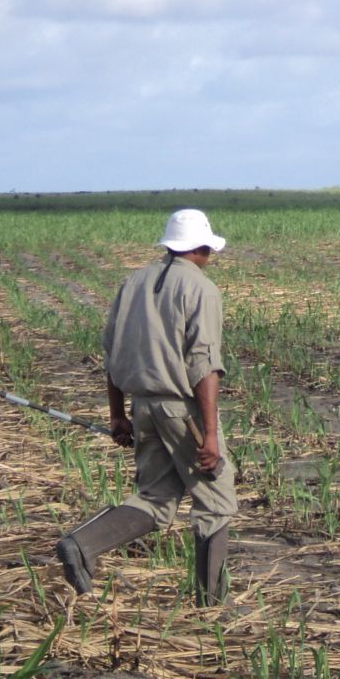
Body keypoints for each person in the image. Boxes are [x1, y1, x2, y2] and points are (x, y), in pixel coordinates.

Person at [55, 208, 236, 604]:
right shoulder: (201, 289)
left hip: (142, 407)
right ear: (202, 247)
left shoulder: (133, 282)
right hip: (181, 411)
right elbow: (204, 365)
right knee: (217, 499)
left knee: (156, 499)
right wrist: (208, 435)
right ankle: (213, 606)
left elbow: (113, 353)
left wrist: (118, 414)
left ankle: (81, 545)